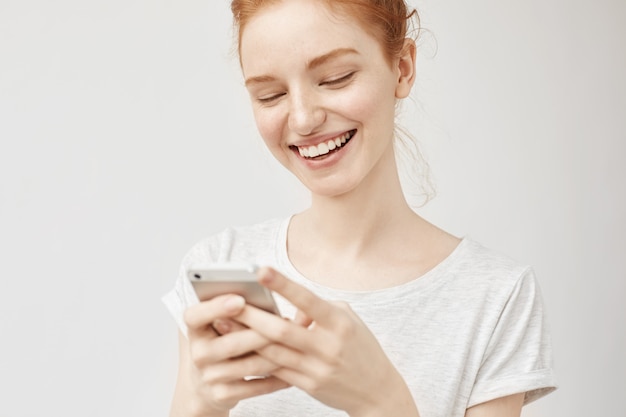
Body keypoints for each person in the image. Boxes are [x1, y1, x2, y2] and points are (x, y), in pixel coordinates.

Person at [162, 0, 557, 416]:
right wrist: (203, 401)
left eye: (336, 78)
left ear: (402, 69)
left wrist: (381, 401)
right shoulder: (223, 266)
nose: (302, 119)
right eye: (270, 94)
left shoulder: (493, 296)